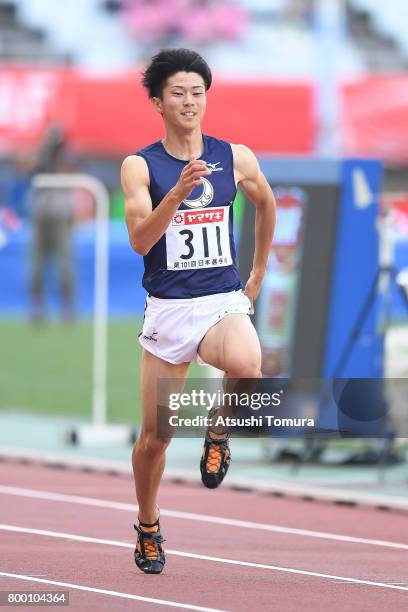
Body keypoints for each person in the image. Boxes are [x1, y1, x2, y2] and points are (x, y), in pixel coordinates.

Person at [121, 48, 276, 574]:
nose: (190, 101)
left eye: (197, 92)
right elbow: (141, 241)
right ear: (158, 103)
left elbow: (266, 203)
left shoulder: (234, 156)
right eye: (178, 93)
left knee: (249, 366)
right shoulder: (140, 166)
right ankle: (147, 524)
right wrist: (177, 194)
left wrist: (256, 276)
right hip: (168, 310)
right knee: (155, 438)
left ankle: (218, 430)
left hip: (220, 299)